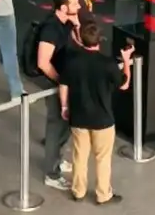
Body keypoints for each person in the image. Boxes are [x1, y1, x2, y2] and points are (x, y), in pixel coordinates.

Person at [60, 21, 132, 205]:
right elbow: (123, 84)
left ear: (81, 39)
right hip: (103, 119)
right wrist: (126, 60)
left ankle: (78, 191)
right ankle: (103, 194)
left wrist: (64, 107)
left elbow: (64, 85)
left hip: (79, 117)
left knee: (79, 156)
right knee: (102, 159)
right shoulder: (107, 64)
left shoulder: (72, 61)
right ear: (99, 40)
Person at [37, 0, 82, 191]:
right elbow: (43, 63)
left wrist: (78, 25)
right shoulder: (51, 29)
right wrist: (61, 82)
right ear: (64, 7)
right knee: (56, 127)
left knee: (64, 126)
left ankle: (57, 159)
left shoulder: (66, 23)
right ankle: (51, 173)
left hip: (63, 81)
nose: (79, 6)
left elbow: (81, 46)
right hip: (54, 83)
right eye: (75, 4)